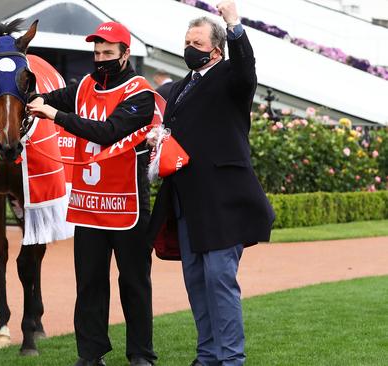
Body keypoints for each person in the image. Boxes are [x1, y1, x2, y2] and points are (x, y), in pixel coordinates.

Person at [146, 1, 275, 365]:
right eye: (187, 41)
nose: (190, 48)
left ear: (216, 49)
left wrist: (233, 22)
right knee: (197, 284)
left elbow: (247, 69)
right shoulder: (182, 85)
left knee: (219, 283)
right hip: (186, 202)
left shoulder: (232, 76)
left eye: (198, 43)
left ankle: (232, 360)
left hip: (223, 202)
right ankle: (207, 357)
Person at [28, 22, 157, 366]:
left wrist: (54, 114)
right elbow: (43, 97)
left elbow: (108, 131)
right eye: (96, 53)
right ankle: (90, 355)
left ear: (125, 54)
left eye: (108, 54)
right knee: (88, 286)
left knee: (134, 283)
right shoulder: (84, 84)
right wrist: (18, 93)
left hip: (127, 203)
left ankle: (141, 354)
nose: (100, 59)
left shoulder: (140, 92)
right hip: (87, 205)